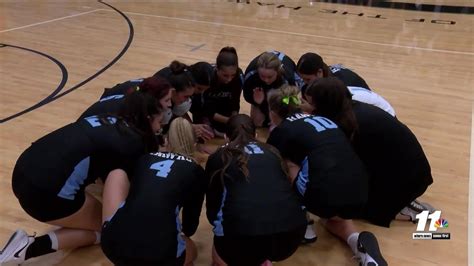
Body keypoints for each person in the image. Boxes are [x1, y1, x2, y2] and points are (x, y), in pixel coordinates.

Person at [0, 88, 165, 264]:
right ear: (148, 119)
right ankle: (27, 248)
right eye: (159, 122)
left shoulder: (112, 118)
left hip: (23, 168)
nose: (161, 126)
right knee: (108, 231)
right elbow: (123, 186)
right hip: (43, 191)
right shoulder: (132, 142)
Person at [266, 85, 387, 266]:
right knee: (332, 219)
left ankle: (303, 223)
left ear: (273, 111)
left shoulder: (281, 131)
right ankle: (358, 246)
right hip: (360, 191)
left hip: (323, 194)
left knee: (284, 165)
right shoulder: (321, 118)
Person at [305, 77, 434, 226]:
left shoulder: (350, 124)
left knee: (354, 211)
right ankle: (400, 201)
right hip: (411, 170)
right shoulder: (350, 110)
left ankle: (408, 212)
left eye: (311, 103)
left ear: (324, 104)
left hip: (409, 177)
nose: (308, 107)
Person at [101, 118, 207, 265]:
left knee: (117, 175)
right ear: (193, 143)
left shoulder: (145, 158)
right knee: (192, 251)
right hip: (160, 255)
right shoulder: (197, 171)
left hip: (112, 247)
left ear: (166, 140)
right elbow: (189, 228)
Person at [206, 114, 306, 266]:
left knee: (219, 246)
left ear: (226, 137)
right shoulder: (273, 151)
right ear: (256, 135)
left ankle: (255, 256)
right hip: (292, 234)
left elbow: (213, 211)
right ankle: (262, 257)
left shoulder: (219, 156)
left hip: (242, 239)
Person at [296, 52, 395, 116]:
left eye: (308, 79)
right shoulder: (321, 82)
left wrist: (313, 111)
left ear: (319, 72)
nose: (305, 83)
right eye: (302, 79)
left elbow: (338, 115)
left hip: (378, 114)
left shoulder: (341, 85)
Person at [155, 60, 215, 141]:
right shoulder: (163, 90)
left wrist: (193, 130)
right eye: (199, 88)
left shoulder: (183, 87)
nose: (201, 92)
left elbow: (197, 112)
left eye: (205, 90)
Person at [192, 47, 243, 136]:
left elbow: (235, 101)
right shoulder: (208, 77)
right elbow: (203, 108)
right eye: (225, 75)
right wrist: (229, 121)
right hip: (206, 111)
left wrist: (234, 118)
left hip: (224, 108)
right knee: (206, 133)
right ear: (217, 69)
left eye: (232, 75)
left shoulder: (239, 77)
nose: (229, 79)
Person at [243, 51, 302, 127]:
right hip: (262, 95)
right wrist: (257, 102)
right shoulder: (251, 75)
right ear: (257, 71)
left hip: (284, 89)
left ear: (278, 72)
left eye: (270, 77)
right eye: (262, 76)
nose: (266, 80)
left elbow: (291, 102)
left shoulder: (287, 78)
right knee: (257, 122)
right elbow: (247, 95)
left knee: (282, 123)